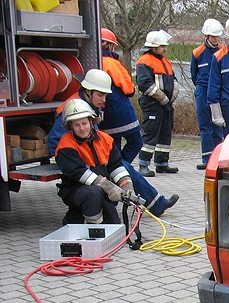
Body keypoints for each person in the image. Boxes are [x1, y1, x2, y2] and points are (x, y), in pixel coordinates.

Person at [47, 69, 179, 220]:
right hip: (76, 164)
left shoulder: (87, 104)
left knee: (121, 169)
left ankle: (149, 202)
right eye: (101, 95)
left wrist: (124, 183)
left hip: (91, 161)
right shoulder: (74, 109)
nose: (104, 100)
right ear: (89, 92)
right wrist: (72, 161)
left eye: (105, 95)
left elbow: (95, 141)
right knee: (118, 173)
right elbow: (55, 142)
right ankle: (155, 204)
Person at [55, 98, 133, 224]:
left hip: (100, 190)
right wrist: (107, 186)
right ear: (70, 126)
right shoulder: (66, 145)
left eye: (84, 123)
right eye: (76, 125)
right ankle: (94, 227)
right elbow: (78, 173)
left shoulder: (105, 139)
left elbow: (115, 165)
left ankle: (75, 219)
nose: (82, 128)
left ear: (91, 121)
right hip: (75, 190)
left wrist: (126, 185)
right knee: (93, 194)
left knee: (114, 224)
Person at [136, 30, 178, 177]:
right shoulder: (144, 61)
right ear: (154, 47)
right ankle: (143, 165)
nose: (165, 49)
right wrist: (163, 98)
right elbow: (145, 84)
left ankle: (162, 163)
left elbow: (174, 81)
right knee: (150, 133)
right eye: (162, 46)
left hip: (165, 104)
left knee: (165, 133)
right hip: (152, 103)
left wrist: (171, 98)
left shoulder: (166, 61)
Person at [99, 27, 142, 163]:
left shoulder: (94, 61)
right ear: (111, 45)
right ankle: (121, 169)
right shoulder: (112, 63)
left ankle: (116, 171)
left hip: (104, 115)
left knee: (113, 149)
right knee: (136, 142)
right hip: (120, 112)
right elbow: (129, 89)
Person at [191, 18, 225, 169]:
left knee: (218, 125)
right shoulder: (197, 53)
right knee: (205, 126)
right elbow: (194, 74)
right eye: (213, 36)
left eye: (217, 36)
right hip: (203, 90)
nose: (216, 39)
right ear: (207, 36)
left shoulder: (224, 50)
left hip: (218, 92)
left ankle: (218, 158)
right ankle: (206, 159)